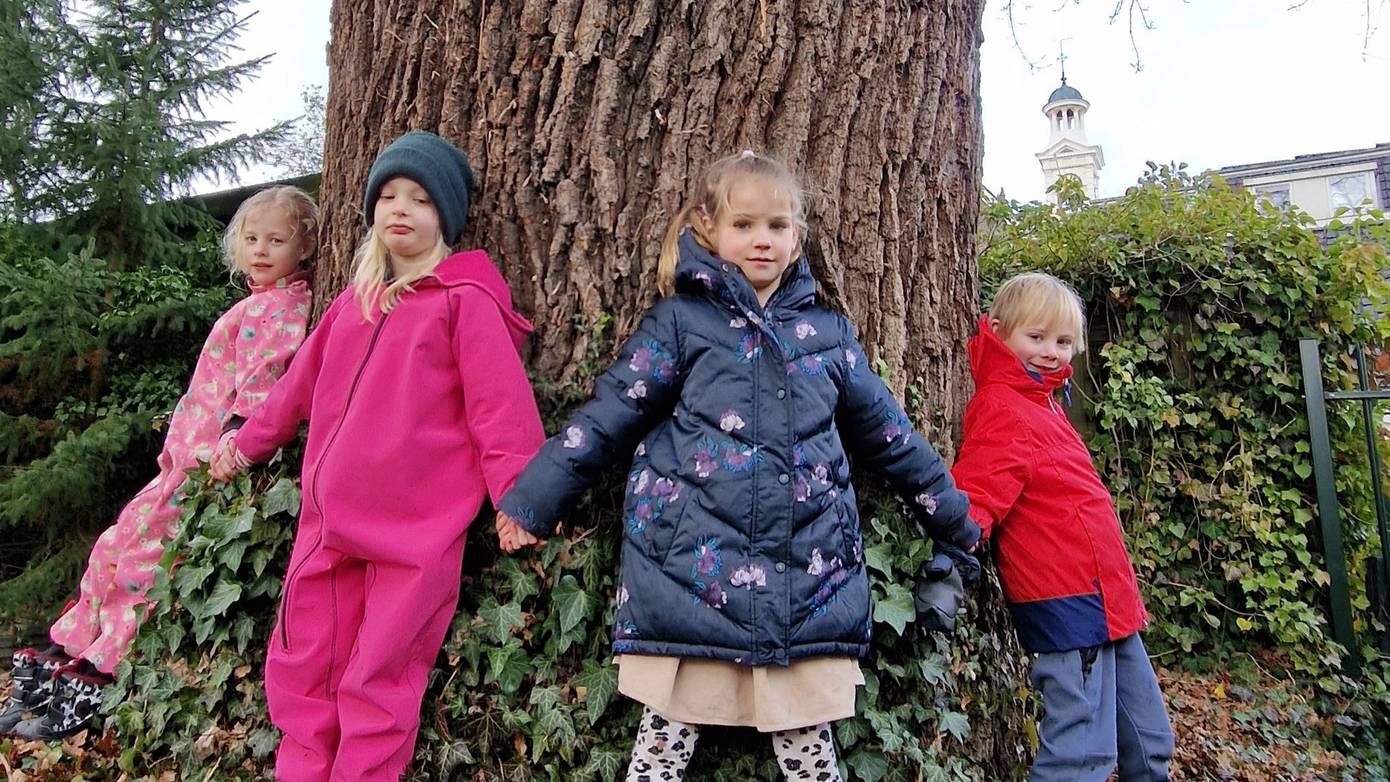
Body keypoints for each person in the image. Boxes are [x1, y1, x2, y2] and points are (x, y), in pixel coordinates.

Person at [493, 150, 980, 781]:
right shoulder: (681, 324)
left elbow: (892, 439)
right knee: (662, 746)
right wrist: (534, 499)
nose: (761, 240)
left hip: (807, 583)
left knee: (809, 749)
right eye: (745, 224)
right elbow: (610, 414)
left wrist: (957, 524)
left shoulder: (827, 337)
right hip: (691, 577)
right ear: (709, 228)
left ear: (797, 236)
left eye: (777, 227)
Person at [210, 131, 545, 782]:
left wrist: (520, 499)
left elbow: (500, 412)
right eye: (388, 194)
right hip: (327, 531)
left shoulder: (463, 304)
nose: (401, 208)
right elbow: (292, 395)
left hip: (414, 542)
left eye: (420, 199)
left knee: (378, 681)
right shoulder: (348, 308)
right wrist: (243, 445)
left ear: (444, 216)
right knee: (301, 668)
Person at [2, 185, 318, 740]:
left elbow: (268, 376)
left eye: (278, 239)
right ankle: (60, 654)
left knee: (142, 564)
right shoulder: (254, 303)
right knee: (110, 548)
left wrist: (236, 436)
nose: (262, 249)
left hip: (207, 467)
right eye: (251, 238)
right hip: (179, 464)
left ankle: (98, 675)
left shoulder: (283, 308)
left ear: (307, 245)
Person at [950, 272, 1174, 781]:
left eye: (1063, 341)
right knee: (1080, 752)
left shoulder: (1046, 402)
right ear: (1001, 332)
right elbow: (978, 494)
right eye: (1036, 338)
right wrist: (952, 554)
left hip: (1110, 600)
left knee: (1148, 738)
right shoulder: (1003, 407)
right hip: (1068, 602)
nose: (1051, 352)